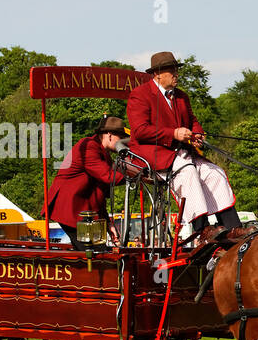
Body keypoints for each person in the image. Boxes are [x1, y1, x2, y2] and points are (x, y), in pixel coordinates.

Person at [127, 51, 241, 247]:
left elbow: (193, 121)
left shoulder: (181, 97)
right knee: (187, 171)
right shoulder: (140, 95)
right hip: (154, 153)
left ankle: (232, 227)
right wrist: (173, 133)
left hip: (183, 152)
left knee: (214, 173)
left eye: (176, 70)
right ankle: (202, 229)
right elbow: (140, 131)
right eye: (172, 71)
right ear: (157, 74)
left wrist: (197, 134)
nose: (176, 74)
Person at [46, 116, 135, 248]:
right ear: (109, 136)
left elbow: (99, 196)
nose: (121, 143)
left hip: (80, 210)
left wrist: (108, 223)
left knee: (97, 250)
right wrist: (136, 175)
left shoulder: (103, 155)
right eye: (120, 139)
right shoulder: (89, 147)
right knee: (94, 251)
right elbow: (108, 177)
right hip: (69, 208)